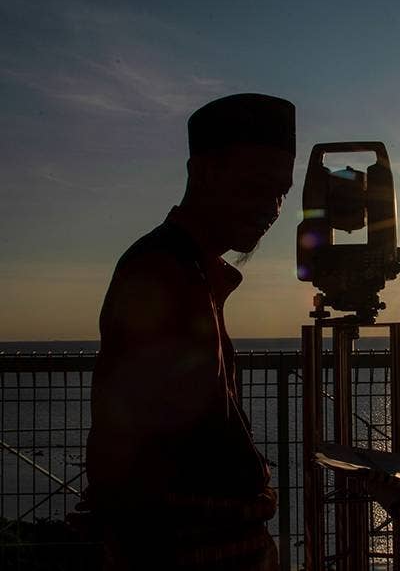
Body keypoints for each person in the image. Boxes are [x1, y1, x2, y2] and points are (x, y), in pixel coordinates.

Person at [82, 93, 295, 570]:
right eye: (256, 185)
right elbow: (165, 445)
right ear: (202, 173)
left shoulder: (188, 270)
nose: (273, 207)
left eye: (282, 190)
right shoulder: (164, 273)